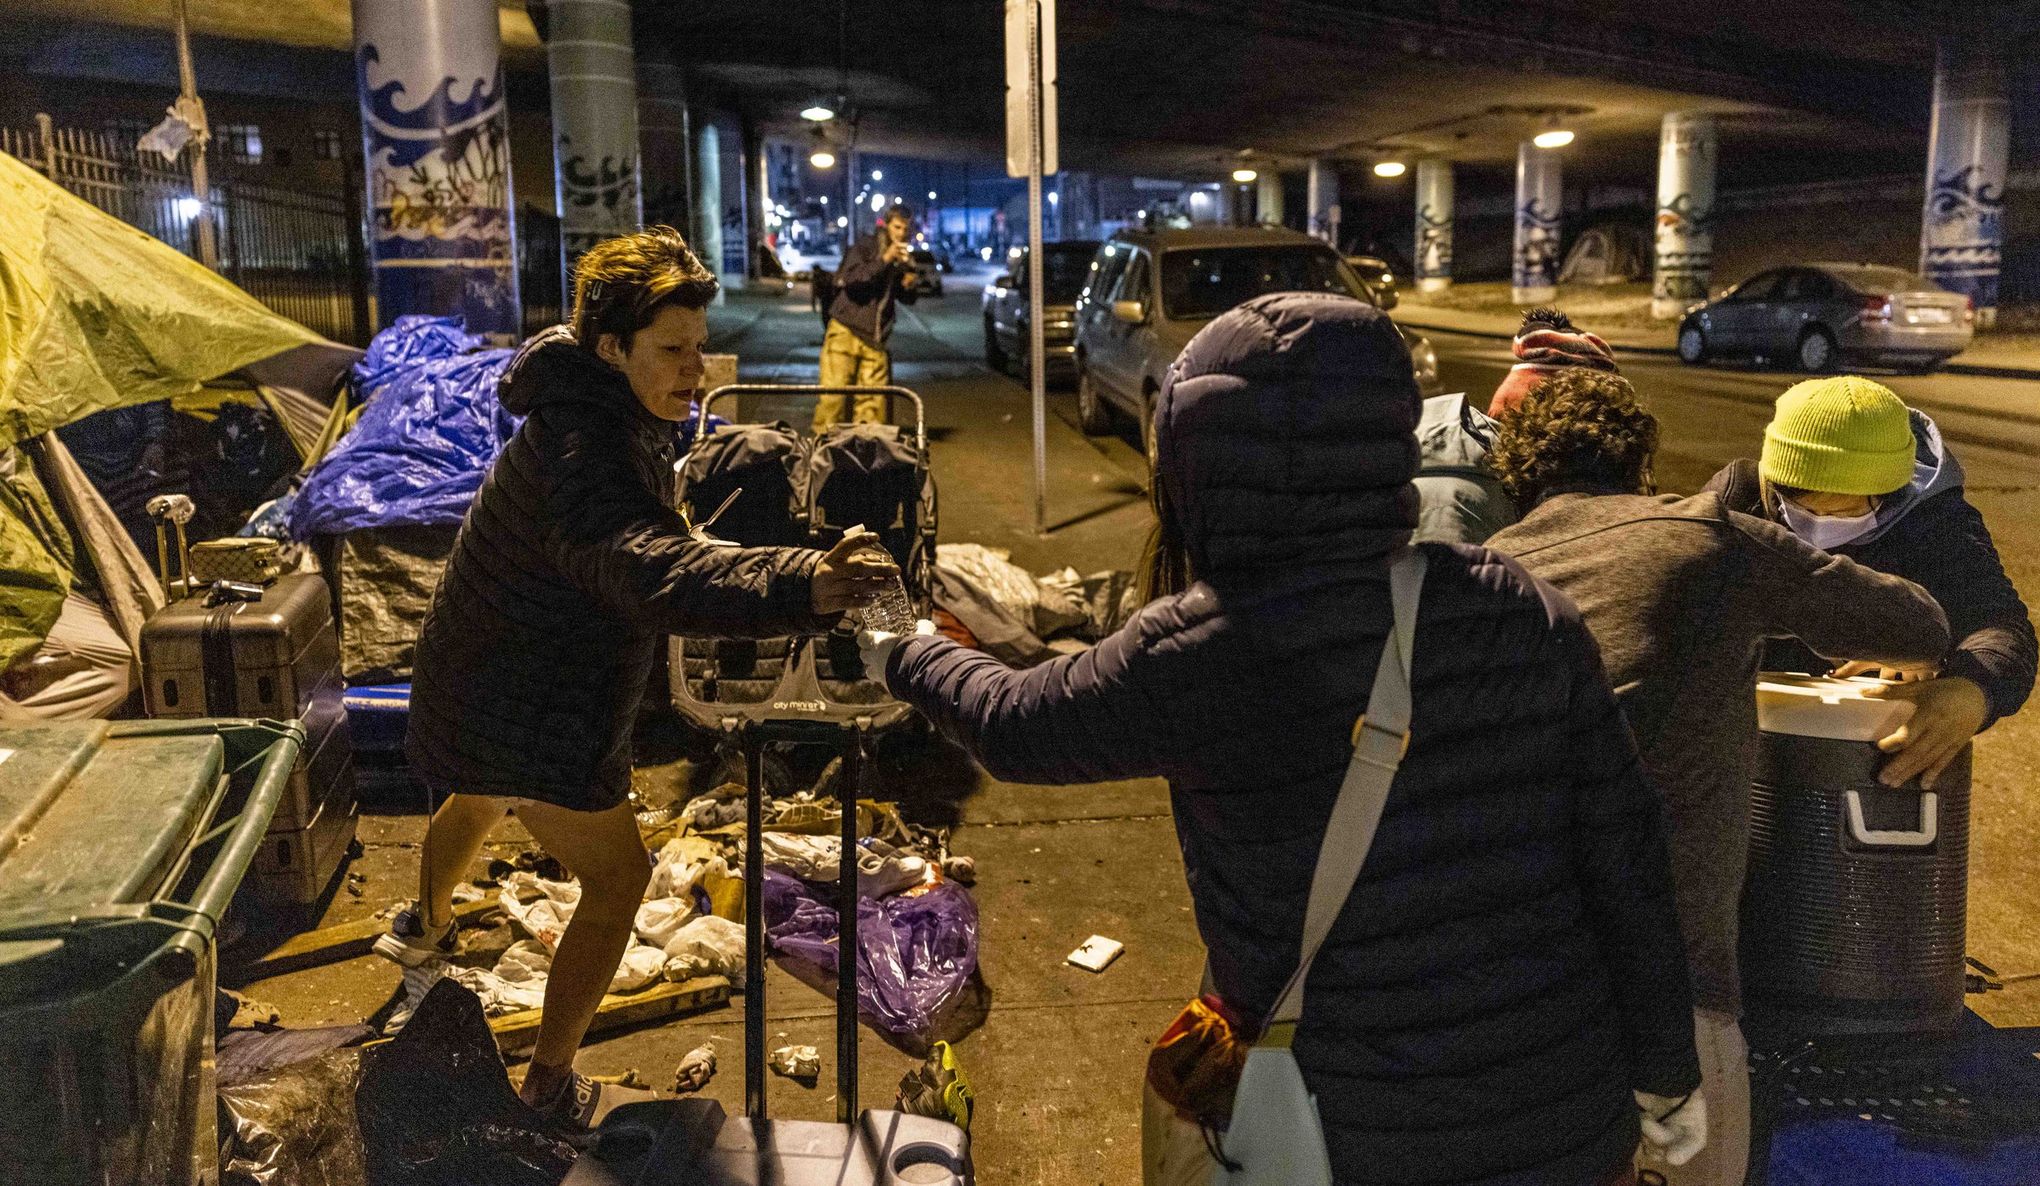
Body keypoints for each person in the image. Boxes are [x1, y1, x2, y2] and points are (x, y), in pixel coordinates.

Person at [866, 293, 1706, 1186]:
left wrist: (899, 643)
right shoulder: (1515, 604)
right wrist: (1666, 1069)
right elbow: (1627, 854)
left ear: (1203, 465)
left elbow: (1011, 721)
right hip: (1561, 1115)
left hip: (1351, 1133)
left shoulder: (1201, 649)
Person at [382, 227, 897, 1131]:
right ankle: (546, 1082)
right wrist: (803, 582)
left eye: (700, 347)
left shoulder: (593, 404)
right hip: (525, 697)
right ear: (611, 345)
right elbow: (648, 568)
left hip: (479, 672)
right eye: (672, 351)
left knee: (474, 797)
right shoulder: (585, 448)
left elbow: (653, 544)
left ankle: (419, 932)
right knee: (619, 879)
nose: (695, 370)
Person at [1483, 369, 1952, 1186]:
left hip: (1501, 983)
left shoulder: (1478, 570)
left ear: (1515, 481)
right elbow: (1917, 623)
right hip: (1673, 987)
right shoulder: (1711, 539)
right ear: (1640, 465)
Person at [1705, 376, 2034, 790]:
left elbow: (2001, 626)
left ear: (1893, 491)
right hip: (1745, 737)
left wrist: (1972, 690)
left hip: (1858, 752)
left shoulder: (1934, 521)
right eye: (1802, 507)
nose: (1821, 526)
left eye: (1847, 509)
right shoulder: (1738, 498)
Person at [813, 204, 921, 432]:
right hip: (845, 330)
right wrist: (884, 259)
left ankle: (868, 457)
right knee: (833, 401)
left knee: (873, 408)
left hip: (875, 337)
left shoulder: (902, 257)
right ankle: (822, 451)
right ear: (886, 225)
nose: (901, 234)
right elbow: (850, 280)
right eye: (897, 227)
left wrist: (909, 284)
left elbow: (905, 298)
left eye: (906, 230)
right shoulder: (866, 247)